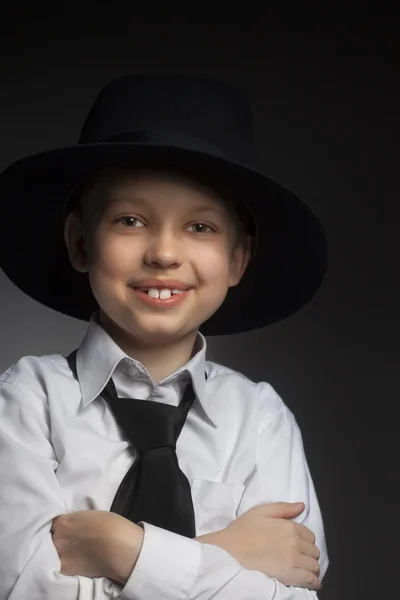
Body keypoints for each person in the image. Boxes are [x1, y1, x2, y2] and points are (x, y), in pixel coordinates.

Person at [0, 74, 329, 599]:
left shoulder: (261, 418)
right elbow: (20, 589)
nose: (164, 253)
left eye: (200, 228)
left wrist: (117, 547)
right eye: (130, 220)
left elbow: (293, 594)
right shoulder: (26, 400)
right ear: (81, 244)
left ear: (237, 260)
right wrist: (229, 555)